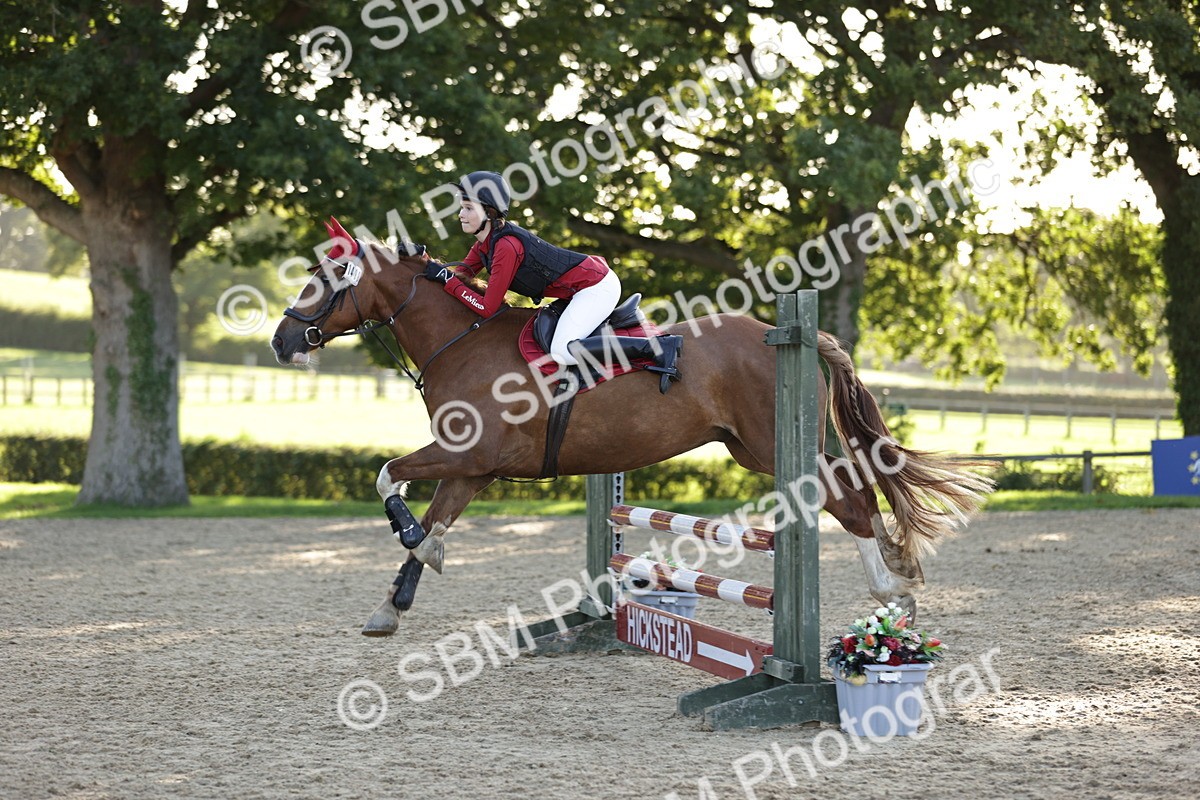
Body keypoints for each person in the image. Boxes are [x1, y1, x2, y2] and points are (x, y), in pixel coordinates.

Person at [420, 171, 682, 390]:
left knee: (562, 350)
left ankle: (656, 348)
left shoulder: (506, 247)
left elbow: (488, 307)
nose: (461, 215)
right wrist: (423, 261)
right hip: (580, 288)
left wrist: (446, 278)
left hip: (596, 287)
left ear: (489, 212)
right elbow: (458, 276)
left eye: (468, 208)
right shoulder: (485, 245)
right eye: (461, 208)